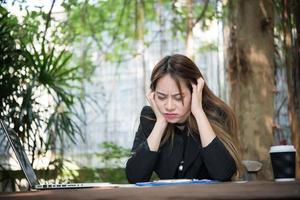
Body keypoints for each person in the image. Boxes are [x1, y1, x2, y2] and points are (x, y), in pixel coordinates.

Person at [125, 54, 242, 184]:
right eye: (162, 97)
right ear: (153, 95)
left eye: (178, 97)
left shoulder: (216, 114)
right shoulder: (150, 118)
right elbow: (135, 177)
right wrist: (160, 123)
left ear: (195, 91)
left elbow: (223, 173)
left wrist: (198, 112)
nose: (169, 107)